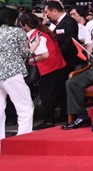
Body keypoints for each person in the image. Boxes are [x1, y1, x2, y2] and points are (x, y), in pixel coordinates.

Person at [19, 13, 67, 131]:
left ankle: (49, 120)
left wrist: (30, 60)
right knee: (59, 94)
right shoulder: (42, 32)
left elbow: (44, 55)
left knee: (47, 96)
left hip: (49, 68)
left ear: (25, 26)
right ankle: (62, 116)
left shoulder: (36, 36)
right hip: (58, 66)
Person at [44, 1, 86, 123]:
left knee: (64, 87)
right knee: (60, 88)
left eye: (47, 12)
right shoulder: (54, 23)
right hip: (58, 60)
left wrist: (55, 54)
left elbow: (69, 42)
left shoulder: (69, 22)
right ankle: (63, 114)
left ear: (54, 11)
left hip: (67, 60)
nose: (47, 15)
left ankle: (67, 114)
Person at [0, 8, 34, 142]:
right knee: (24, 107)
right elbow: (24, 53)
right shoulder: (17, 31)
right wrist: (34, 47)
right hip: (12, 73)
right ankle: (23, 140)